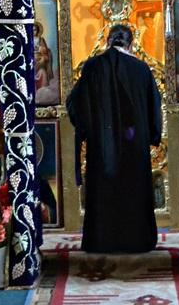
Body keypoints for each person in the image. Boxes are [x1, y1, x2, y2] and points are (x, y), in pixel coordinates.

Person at [66, 24, 162, 253]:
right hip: (134, 144)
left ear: (107, 41)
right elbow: (154, 107)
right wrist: (152, 135)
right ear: (131, 44)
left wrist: (87, 129)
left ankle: (102, 241)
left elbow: (75, 104)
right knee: (133, 189)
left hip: (102, 146)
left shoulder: (92, 66)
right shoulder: (141, 69)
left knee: (104, 190)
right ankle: (136, 241)